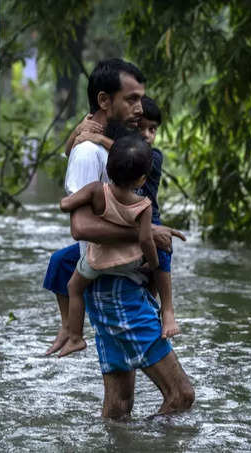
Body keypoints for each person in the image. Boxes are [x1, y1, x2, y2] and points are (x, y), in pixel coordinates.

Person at [43, 58, 194, 418]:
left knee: (119, 406)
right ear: (104, 101)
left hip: (119, 284)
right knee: (182, 395)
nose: (140, 109)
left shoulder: (114, 145)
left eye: (141, 99)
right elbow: (79, 228)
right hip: (116, 290)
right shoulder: (87, 152)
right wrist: (147, 231)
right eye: (131, 99)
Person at [70, 96, 180, 340]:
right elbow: (72, 148)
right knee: (60, 263)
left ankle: (167, 309)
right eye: (141, 128)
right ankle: (68, 328)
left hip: (147, 218)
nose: (147, 135)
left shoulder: (153, 157)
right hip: (121, 218)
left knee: (162, 251)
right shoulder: (119, 152)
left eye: (153, 129)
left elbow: (133, 155)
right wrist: (79, 131)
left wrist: (98, 138)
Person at [58, 135, 158, 358]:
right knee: (150, 280)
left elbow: (65, 205)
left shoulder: (96, 190)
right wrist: (152, 264)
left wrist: (77, 202)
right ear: (142, 180)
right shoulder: (144, 205)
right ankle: (154, 308)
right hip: (128, 264)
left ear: (108, 168)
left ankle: (75, 337)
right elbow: (145, 240)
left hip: (98, 262)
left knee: (74, 287)